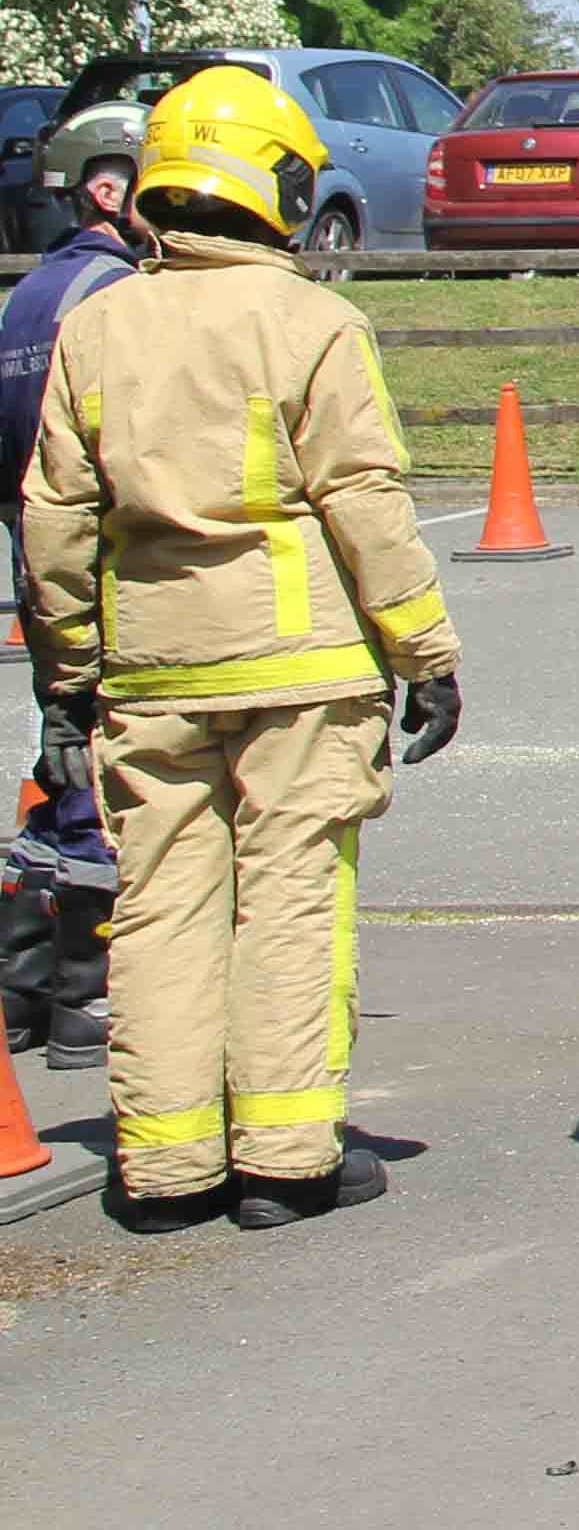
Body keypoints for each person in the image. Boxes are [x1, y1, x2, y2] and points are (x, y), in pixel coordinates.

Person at [18, 67, 460, 1228]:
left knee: (161, 910)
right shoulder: (311, 321)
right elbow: (362, 499)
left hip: (152, 669)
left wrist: (68, 678)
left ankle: (167, 1169)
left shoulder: (96, 323)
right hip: (300, 667)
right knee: (290, 902)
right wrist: (423, 652)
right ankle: (284, 1156)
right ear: (278, 187)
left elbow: (55, 515)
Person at [3, 151, 147, 1068]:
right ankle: (88, 997)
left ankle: (25, 988)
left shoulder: (28, 295)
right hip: (99, 558)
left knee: (61, 762)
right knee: (110, 775)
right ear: (106, 190)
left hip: (38, 552)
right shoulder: (114, 296)